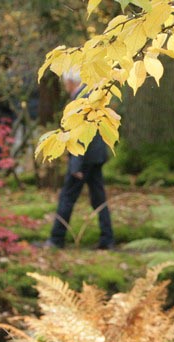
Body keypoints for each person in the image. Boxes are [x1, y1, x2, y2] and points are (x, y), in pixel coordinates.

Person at [44, 69, 115, 250]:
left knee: (67, 198)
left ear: (70, 82)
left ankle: (56, 239)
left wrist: (75, 164)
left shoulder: (80, 101)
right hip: (96, 157)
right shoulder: (91, 96)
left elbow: (80, 135)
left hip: (83, 159)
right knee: (98, 199)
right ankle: (107, 239)